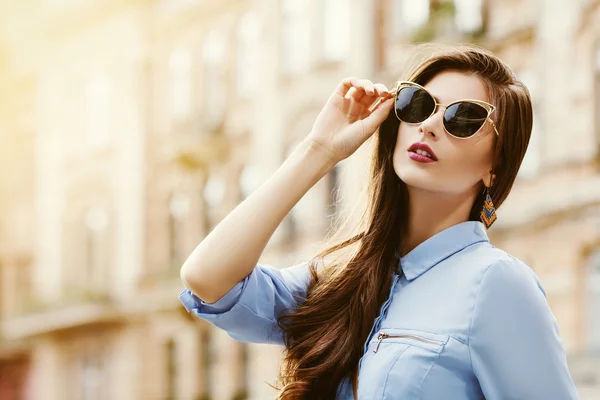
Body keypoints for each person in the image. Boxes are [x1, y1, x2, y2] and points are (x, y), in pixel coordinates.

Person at [178, 44, 579, 400]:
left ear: (495, 166)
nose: (429, 125)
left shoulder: (497, 283)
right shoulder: (344, 282)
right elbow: (208, 278)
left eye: (463, 119)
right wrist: (318, 150)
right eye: (418, 104)